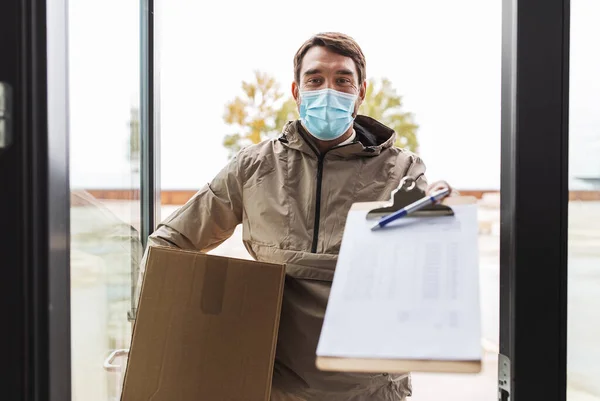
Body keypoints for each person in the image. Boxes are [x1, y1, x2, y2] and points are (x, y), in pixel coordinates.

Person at [137, 32, 455, 401]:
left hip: (368, 388)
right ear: (296, 90)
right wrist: (166, 334)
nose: (328, 90)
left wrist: (443, 221)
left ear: (361, 91)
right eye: (315, 79)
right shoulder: (253, 167)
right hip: (274, 385)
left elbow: (427, 265)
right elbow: (169, 243)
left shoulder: (402, 171)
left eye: (342, 80)